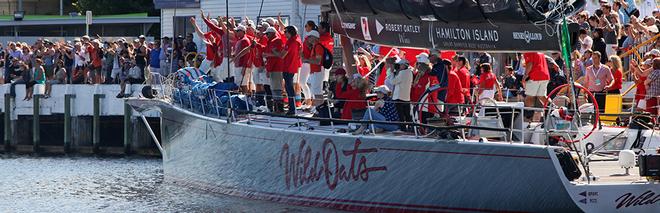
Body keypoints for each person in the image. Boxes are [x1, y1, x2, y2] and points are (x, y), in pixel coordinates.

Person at [410, 53, 439, 124]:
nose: (416, 65)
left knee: (424, 124)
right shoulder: (419, 74)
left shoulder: (428, 76)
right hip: (420, 104)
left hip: (426, 106)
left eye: (418, 63)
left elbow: (421, 90)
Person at [263, 27, 285, 113]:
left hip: (276, 68)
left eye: (267, 34)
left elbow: (277, 56)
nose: (266, 35)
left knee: (277, 89)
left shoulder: (276, 41)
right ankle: (277, 109)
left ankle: (279, 109)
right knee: (274, 89)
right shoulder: (272, 41)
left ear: (272, 33)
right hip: (273, 68)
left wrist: (267, 55)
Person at [523, 52, 550, 120]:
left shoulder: (528, 52)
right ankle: (553, 109)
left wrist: (524, 76)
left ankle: (528, 118)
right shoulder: (540, 52)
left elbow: (530, 64)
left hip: (535, 76)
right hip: (545, 76)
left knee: (529, 97)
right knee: (542, 96)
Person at [302, 30, 324, 109]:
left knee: (317, 92)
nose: (308, 39)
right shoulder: (315, 46)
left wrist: (306, 60)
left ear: (314, 38)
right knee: (316, 92)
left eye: (309, 37)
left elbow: (318, 61)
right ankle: (317, 109)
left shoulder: (318, 47)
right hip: (315, 71)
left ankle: (319, 110)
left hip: (317, 71)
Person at [390, 59, 413, 131]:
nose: (399, 66)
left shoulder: (402, 73)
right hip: (406, 97)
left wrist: (391, 72)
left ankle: (403, 129)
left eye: (400, 65)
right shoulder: (410, 72)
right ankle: (411, 128)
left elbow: (392, 82)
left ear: (403, 65)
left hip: (399, 97)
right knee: (407, 115)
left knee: (401, 115)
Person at [231, 25, 253, 94]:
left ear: (242, 31)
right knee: (239, 84)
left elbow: (247, 55)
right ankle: (243, 99)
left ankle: (246, 100)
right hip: (238, 65)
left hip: (242, 66)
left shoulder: (245, 40)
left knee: (243, 84)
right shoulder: (240, 40)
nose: (236, 32)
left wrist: (244, 67)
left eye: (238, 31)